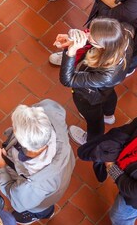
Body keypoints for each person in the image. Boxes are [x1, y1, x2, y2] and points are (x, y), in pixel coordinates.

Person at [0, 100, 75, 224]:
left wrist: (1, 168)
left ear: (25, 143)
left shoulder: (34, 184)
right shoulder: (48, 113)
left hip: (42, 196)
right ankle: (6, 160)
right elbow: (54, 106)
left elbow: (17, 199)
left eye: (15, 128)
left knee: (40, 206)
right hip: (61, 170)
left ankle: (43, 213)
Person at [55, 18, 132, 146]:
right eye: (90, 31)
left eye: (92, 38)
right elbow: (129, 26)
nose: (88, 36)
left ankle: (91, 140)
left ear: (103, 46)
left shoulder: (106, 74)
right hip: (107, 87)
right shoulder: (125, 32)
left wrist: (71, 50)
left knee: (94, 119)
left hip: (89, 96)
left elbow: (67, 80)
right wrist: (78, 37)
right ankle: (109, 116)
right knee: (108, 94)